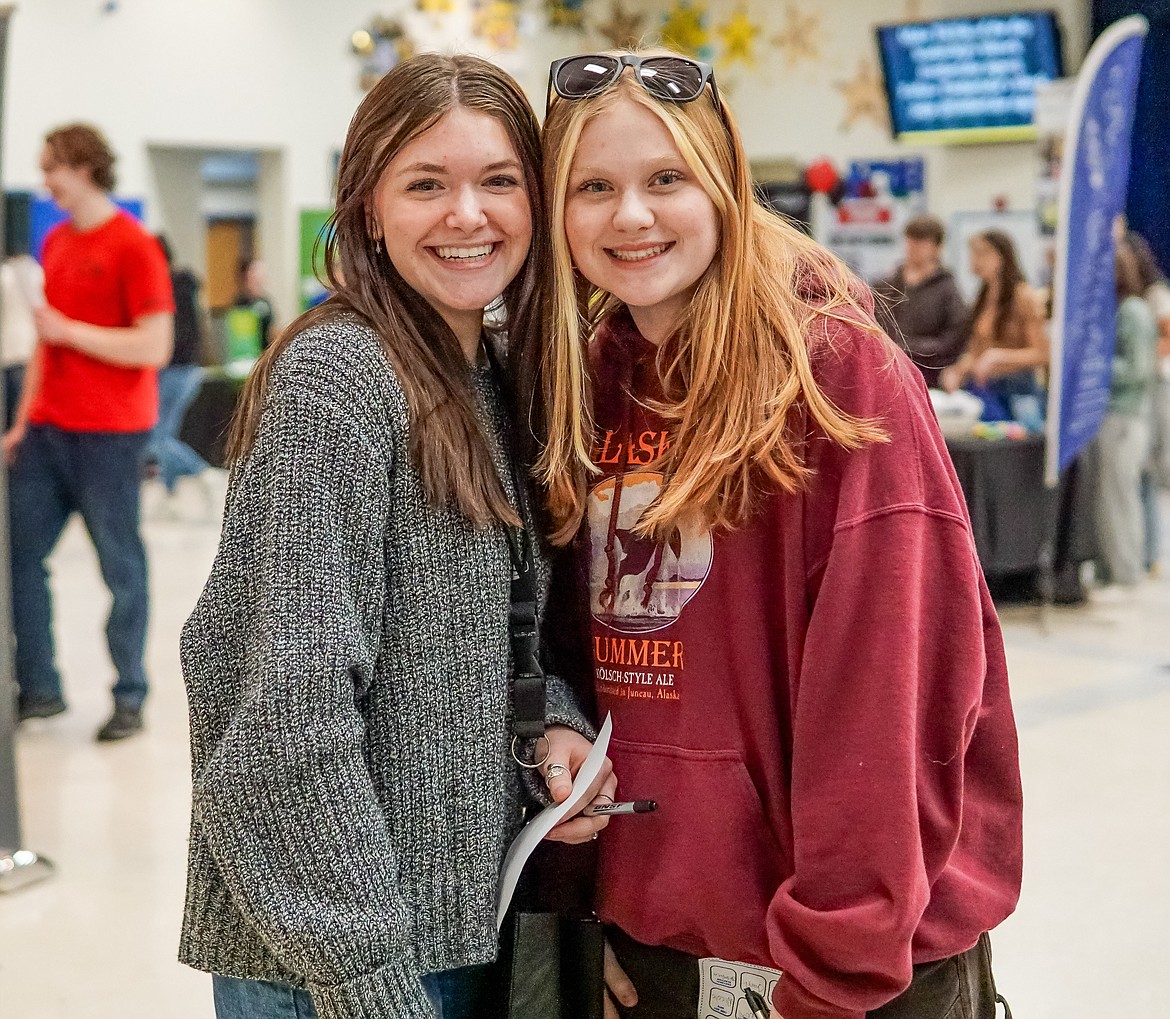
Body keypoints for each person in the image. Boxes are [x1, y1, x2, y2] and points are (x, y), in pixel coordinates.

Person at [537, 50, 1023, 1019]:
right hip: (655, 949)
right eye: (594, 186)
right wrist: (582, 918)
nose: (631, 215)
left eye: (665, 178)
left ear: (722, 181)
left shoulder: (838, 377)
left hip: (846, 971)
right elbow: (570, 668)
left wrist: (829, 971)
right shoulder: (584, 377)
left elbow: (891, 700)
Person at [179, 53, 614, 1019]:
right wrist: (369, 980)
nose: (469, 215)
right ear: (370, 206)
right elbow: (282, 713)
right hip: (339, 964)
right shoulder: (340, 379)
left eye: (498, 181)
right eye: (427, 184)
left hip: (455, 928)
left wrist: (555, 722)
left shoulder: (488, 371)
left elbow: (486, 639)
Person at [4, 123, 174, 741]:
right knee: (19, 560)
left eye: (52, 167)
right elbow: (46, 346)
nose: (45, 179)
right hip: (49, 431)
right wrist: (22, 422)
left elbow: (154, 345)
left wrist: (73, 333)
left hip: (110, 435)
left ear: (83, 167)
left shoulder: (133, 246)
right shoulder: (55, 244)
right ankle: (40, 689)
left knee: (120, 567)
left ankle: (129, 694)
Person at [1091, 243, 1159, 590]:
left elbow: (1138, 368)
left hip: (1126, 416)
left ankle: (1126, 571)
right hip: (1111, 414)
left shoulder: (1133, 312)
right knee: (1109, 496)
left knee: (1122, 495)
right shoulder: (1116, 311)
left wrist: (1094, 366)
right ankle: (1111, 567)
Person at [940, 229, 1048, 423]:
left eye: (982, 253)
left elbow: (1041, 354)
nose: (975, 260)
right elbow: (976, 351)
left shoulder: (1024, 297)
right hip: (987, 392)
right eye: (972, 253)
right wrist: (958, 370)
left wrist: (999, 356)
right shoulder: (982, 300)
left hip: (1018, 395)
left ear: (1002, 257)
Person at [147, 234, 211, 500]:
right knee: (164, 433)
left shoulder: (171, 288)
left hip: (177, 370)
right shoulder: (185, 286)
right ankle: (169, 490)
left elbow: (176, 335)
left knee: (157, 437)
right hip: (188, 369)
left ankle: (204, 472)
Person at [871, 213, 968, 389]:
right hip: (885, 371)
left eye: (922, 242)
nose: (914, 247)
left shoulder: (947, 290)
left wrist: (912, 348)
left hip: (927, 376)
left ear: (937, 247)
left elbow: (954, 338)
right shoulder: (885, 285)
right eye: (911, 240)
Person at [0, 231, 42, 430]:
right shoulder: (39, 272)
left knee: (11, 418)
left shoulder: (5, 275)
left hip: (11, 352)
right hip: (28, 351)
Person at [233, 256, 276, 349]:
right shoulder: (240, 301)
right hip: (246, 349)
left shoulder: (266, 302)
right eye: (254, 277)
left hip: (264, 349)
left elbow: (272, 327)